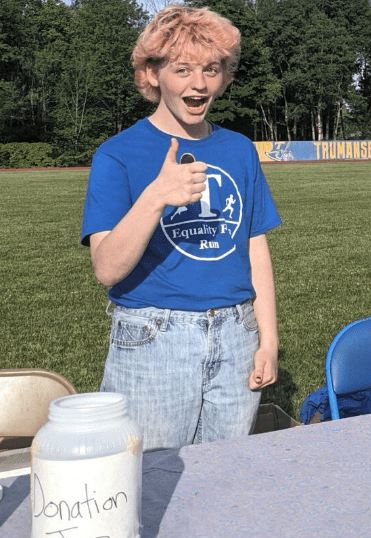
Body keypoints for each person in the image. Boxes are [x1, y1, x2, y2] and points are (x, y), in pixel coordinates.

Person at [81, 5, 281, 451]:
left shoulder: (240, 150)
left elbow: (255, 248)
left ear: (226, 76)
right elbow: (107, 268)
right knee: (151, 481)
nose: (200, 83)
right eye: (183, 69)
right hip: (154, 340)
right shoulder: (118, 154)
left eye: (212, 69)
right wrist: (156, 195)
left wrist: (268, 339)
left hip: (236, 336)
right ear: (152, 74)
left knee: (225, 476)